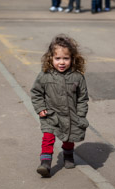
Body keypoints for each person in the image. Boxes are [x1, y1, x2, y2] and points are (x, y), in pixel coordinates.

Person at [31, 34, 89, 177]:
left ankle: (68, 155)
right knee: (48, 138)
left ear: (72, 58)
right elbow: (36, 93)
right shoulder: (45, 75)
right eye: (58, 58)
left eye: (66, 58)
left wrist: (80, 115)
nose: (61, 62)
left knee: (69, 137)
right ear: (51, 58)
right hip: (51, 115)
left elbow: (83, 98)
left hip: (71, 115)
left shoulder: (77, 76)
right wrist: (40, 108)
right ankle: (45, 163)